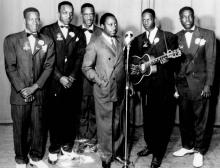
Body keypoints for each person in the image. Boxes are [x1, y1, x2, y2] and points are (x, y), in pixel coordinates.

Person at [4, 7, 55, 168]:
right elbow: (10, 67)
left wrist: (34, 87)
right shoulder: (11, 40)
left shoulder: (47, 41)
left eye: (37, 19)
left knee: (39, 128)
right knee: (20, 129)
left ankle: (36, 157)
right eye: (31, 19)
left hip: (39, 93)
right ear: (25, 20)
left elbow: (49, 67)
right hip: (19, 95)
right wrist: (22, 89)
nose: (35, 22)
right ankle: (20, 160)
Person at [129, 8, 178, 168]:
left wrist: (168, 61)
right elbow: (133, 61)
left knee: (162, 122)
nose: (145, 22)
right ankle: (150, 145)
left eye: (148, 19)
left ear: (154, 19)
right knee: (148, 119)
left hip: (163, 87)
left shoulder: (168, 37)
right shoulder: (138, 39)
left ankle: (158, 154)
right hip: (146, 87)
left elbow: (177, 61)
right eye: (143, 20)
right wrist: (137, 69)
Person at [40, 1, 86, 165]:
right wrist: (60, 77)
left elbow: (81, 56)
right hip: (54, 83)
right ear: (59, 13)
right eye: (65, 12)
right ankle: (53, 149)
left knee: (71, 117)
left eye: (71, 13)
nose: (69, 15)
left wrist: (72, 76)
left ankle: (67, 147)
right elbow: (45, 60)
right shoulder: (47, 31)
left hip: (73, 83)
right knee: (54, 117)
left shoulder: (78, 31)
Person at [173, 6, 216, 168]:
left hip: (200, 85)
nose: (187, 20)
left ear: (194, 17)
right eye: (183, 17)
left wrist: (208, 85)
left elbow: (211, 62)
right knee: (185, 118)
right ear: (180, 19)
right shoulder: (176, 37)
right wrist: (175, 86)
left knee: (201, 120)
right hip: (183, 85)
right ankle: (187, 146)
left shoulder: (208, 35)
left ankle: (199, 151)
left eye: (189, 16)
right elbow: (175, 65)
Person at [82, 13, 125, 168]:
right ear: (102, 26)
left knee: (118, 122)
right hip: (104, 90)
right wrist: (100, 81)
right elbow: (86, 67)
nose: (113, 27)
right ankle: (106, 157)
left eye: (115, 24)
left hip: (119, 89)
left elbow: (123, 65)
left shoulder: (120, 41)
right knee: (105, 125)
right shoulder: (95, 43)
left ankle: (118, 152)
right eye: (109, 24)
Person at [78, 3, 102, 152]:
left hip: (95, 77)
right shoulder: (74, 31)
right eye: (86, 14)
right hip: (79, 79)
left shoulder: (101, 32)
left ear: (94, 15)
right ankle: (81, 140)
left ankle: (93, 140)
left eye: (91, 14)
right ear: (82, 15)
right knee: (80, 111)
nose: (89, 17)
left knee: (94, 110)